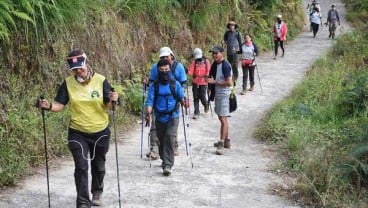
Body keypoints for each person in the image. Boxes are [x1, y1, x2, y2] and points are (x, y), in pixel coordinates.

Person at [37, 49, 119, 208]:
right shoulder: (68, 83)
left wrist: (113, 99)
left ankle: (97, 192)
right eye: (75, 69)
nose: (78, 72)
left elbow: (109, 106)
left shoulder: (101, 80)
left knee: (98, 165)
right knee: (81, 167)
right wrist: (47, 106)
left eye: (80, 68)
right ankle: (82, 202)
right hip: (77, 132)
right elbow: (60, 105)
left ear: (86, 63)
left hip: (100, 131)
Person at [145, 59, 187, 176]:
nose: (164, 72)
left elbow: (181, 97)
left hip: (173, 116)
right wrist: (148, 112)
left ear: (169, 70)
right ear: (158, 71)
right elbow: (150, 100)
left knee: (170, 138)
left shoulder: (175, 84)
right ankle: (164, 160)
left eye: (166, 70)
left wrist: (184, 102)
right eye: (162, 70)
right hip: (159, 116)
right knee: (162, 140)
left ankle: (168, 165)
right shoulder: (154, 86)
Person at [206, 46, 233, 155]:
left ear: (222, 53)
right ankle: (226, 141)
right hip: (218, 93)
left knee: (223, 118)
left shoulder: (225, 65)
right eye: (213, 53)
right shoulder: (214, 64)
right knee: (222, 117)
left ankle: (221, 143)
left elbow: (229, 82)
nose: (214, 55)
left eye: (216, 53)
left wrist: (215, 83)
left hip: (224, 94)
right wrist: (209, 85)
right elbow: (210, 78)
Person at [187, 48, 211, 119]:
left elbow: (208, 71)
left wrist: (206, 77)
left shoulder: (206, 61)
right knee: (195, 97)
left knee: (202, 96)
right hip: (195, 82)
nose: (198, 59)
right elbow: (191, 72)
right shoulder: (194, 62)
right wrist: (187, 71)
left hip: (203, 82)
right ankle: (196, 112)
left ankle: (206, 104)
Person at [223, 20, 242, 86]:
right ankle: (230, 78)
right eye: (230, 25)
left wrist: (240, 51)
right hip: (229, 51)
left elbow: (240, 43)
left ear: (234, 26)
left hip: (235, 52)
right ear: (229, 26)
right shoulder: (227, 33)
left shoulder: (237, 33)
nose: (231, 26)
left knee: (235, 66)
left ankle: (235, 79)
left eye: (233, 25)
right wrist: (224, 43)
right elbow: (225, 40)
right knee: (229, 65)